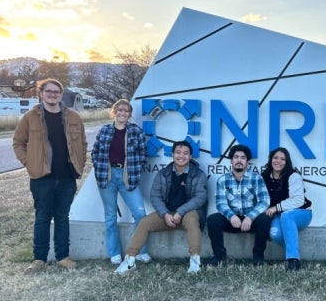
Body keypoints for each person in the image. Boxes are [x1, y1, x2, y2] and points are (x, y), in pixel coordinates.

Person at [12, 78, 87, 274]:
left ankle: (63, 257)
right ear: (41, 93)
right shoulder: (30, 117)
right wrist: (29, 163)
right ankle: (39, 259)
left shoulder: (74, 117)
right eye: (49, 91)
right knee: (42, 217)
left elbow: (83, 143)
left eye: (57, 91)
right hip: (41, 178)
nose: (53, 94)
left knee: (62, 217)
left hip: (66, 177)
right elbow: (18, 143)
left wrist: (80, 164)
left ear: (61, 94)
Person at [114, 141, 208, 274]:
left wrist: (180, 212)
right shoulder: (163, 173)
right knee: (144, 222)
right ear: (173, 154)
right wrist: (165, 214)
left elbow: (200, 198)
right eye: (178, 153)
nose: (181, 156)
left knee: (192, 219)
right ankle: (130, 260)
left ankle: (195, 261)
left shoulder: (198, 174)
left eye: (186, 153)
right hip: (167, 214)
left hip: (187, 214)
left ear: (191, 156)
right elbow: (155, 196)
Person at [91, 99, 151, 265]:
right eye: (120, 110)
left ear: (130, 115)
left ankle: (139, 251)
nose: (123, 113)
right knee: (110, 216)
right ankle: (114, 253)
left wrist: (135, 169)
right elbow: (95, 152)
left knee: (139, 214)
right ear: (114, 112)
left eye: (126, 111)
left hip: (127, 177)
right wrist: (99, 167)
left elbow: (143, 153)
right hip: (107, 176)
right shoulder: (104, 130)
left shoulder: (135, 132)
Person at [206, 145, 272, 266]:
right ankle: (219, 258)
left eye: (243, 158)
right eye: (236, 157)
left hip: (250, 221)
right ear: (231, 160)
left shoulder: (256, 178)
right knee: (212, 220)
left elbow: (265, 201)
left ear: (247, 161)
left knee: (265, 220)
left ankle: (258, 258)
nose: (239, 160)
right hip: (232, 221)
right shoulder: (222, 180)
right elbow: (220, 203)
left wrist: (250, 217)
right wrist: (231, 216)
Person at [261, 147, 313, 271]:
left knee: (287, 215)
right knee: (274, 233)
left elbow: (298, 200)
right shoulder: (264, 176)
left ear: (287, 161)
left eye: (282, 159)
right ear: (271, 159)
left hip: (301, 213)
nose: (278, 161)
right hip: (280, 215)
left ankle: (293, 261)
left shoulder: (293, 175)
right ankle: (295, 252)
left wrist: (276, 207)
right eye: (275, 158)